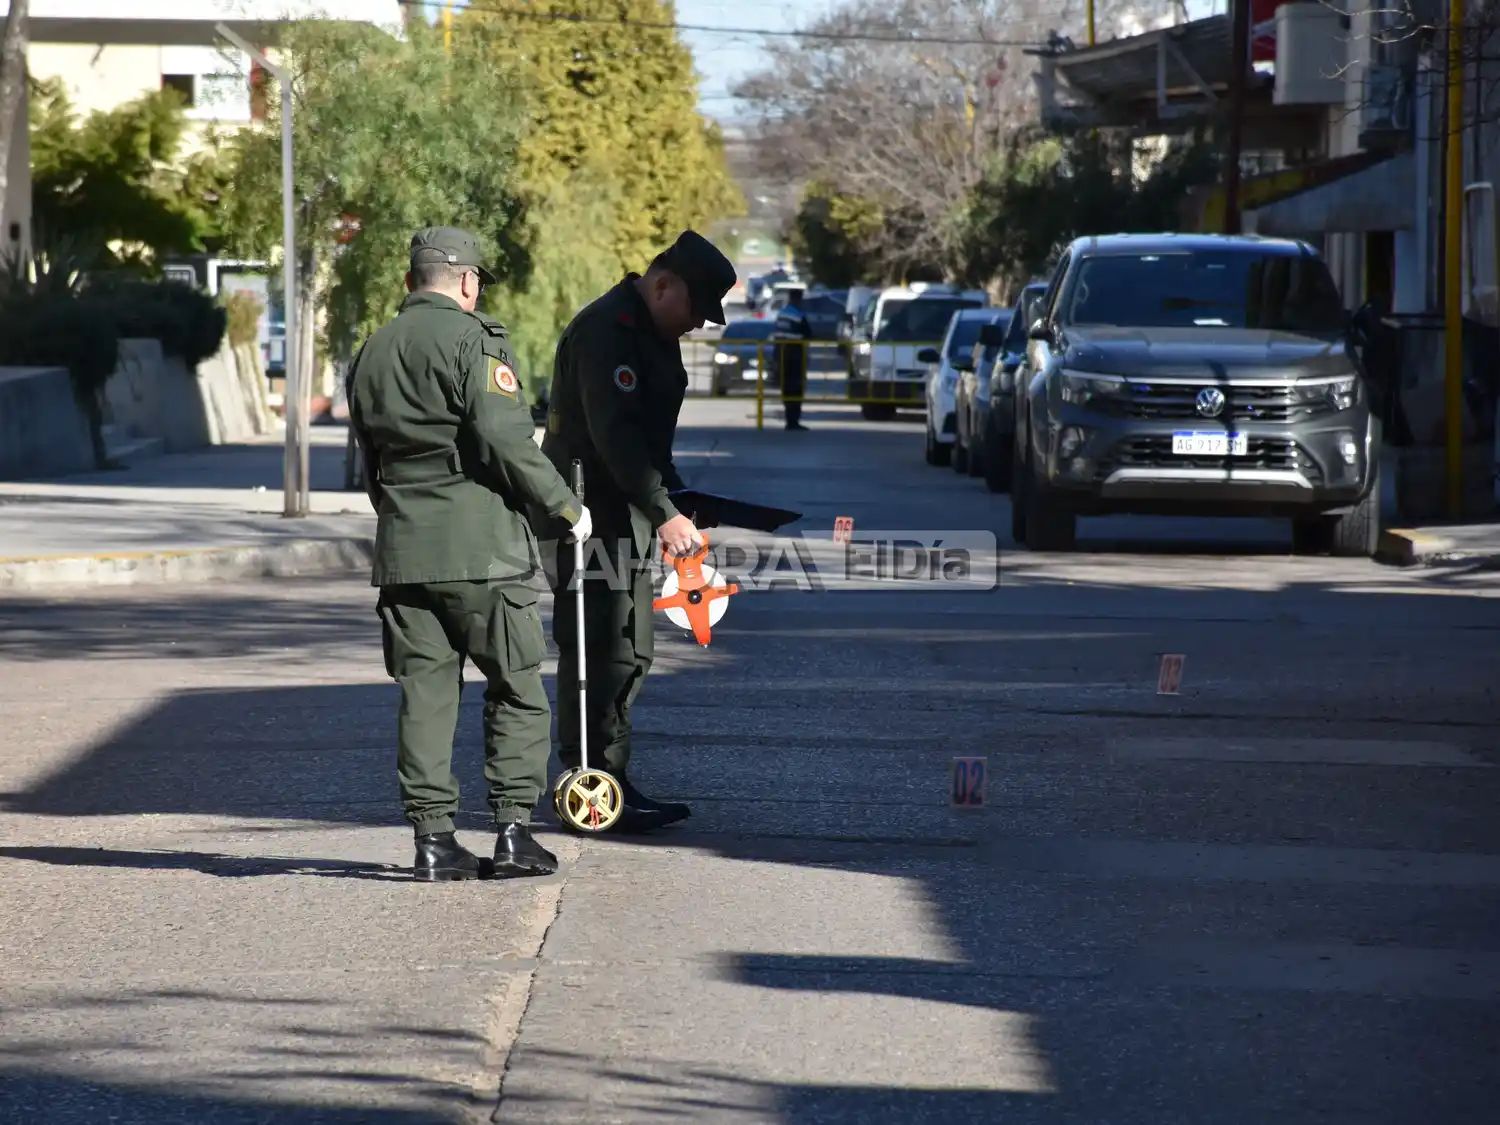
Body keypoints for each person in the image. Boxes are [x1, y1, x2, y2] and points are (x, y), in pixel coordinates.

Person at [346, 226, 592, 882]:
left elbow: (370, 464)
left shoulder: (370, 352)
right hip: (483, 552)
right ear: (466, 282)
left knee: (425, 695)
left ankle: (433, 841)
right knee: (516, 687)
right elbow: (505, 439)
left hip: (405, 551)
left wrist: (401, 523)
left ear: (409, 281)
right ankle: (514, 832)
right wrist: (566, 507)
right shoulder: (474, 339)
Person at [535, 229, 736, 830]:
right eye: (696, 309)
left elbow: (649, 444)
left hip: (621, 516)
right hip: (586, 518)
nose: (699, 323)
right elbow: (614, 438)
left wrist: (676, 499)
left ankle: (607, 779)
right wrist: (663, 508)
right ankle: (590, 785)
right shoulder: (609, 331)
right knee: (601, 648)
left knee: (628, 649)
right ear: (663, 284)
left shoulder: (648, 332)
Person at [771, 286, 812, 431]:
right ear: (798, 299)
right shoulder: (798, 315)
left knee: (786, 388)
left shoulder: (781, 313)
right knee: (796, 388)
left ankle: (790, 420)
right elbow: (808, 335)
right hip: (795, 355)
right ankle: (793, 421)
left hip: (781, 354)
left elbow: (777, 333)